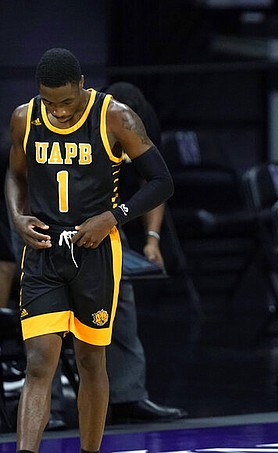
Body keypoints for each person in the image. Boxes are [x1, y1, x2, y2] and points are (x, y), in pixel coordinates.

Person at [6, 48, 173, 452]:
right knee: (40, 361)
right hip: (45, 250)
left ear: (82, 84)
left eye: (66, 101)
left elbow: (161, 182)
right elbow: (15, 174)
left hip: (95, 252)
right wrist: (16, 215)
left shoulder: (116, 116)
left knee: (89, 362)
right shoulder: (24, 118)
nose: (59, 112)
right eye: (50, 102)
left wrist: (113, 217)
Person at [103, 81, 188, 424]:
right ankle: (55, 403)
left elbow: (153, 183)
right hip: (62, 218)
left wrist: (152, 238)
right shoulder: (92, 121)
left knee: (122, 306)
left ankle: (128, 395)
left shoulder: (141, 123)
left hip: (110, 221)